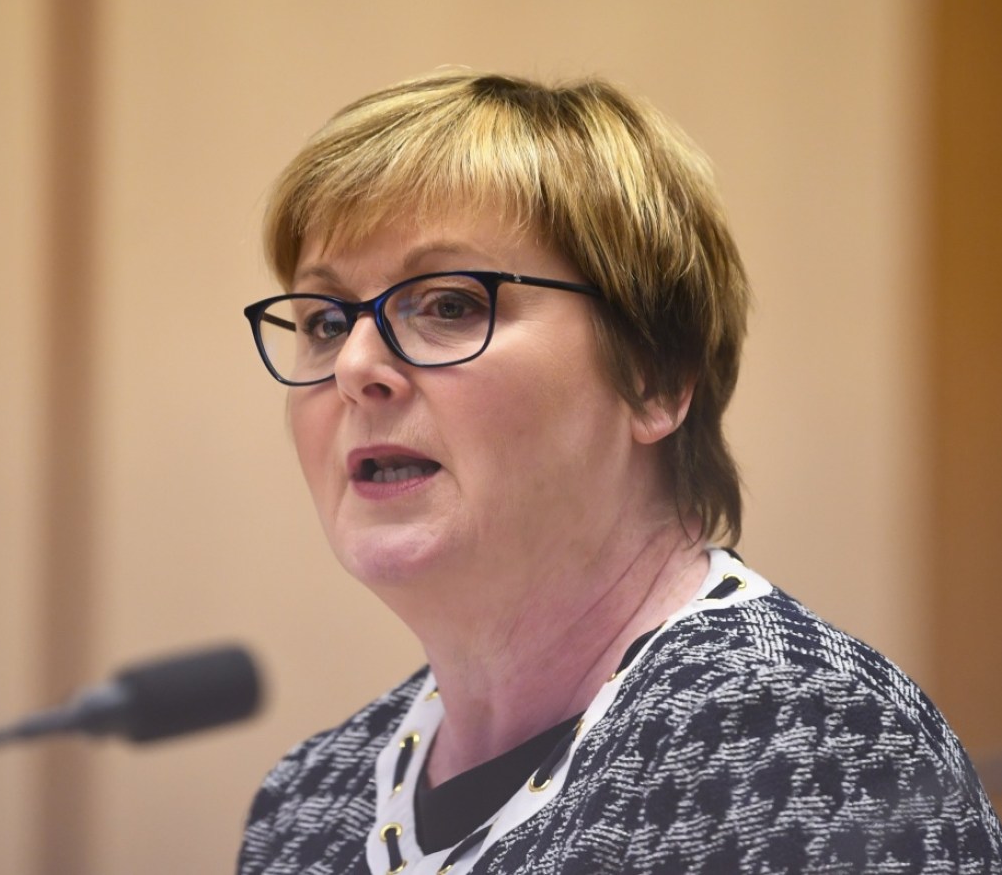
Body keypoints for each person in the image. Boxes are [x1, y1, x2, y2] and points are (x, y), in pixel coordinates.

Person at [236, 69, 1002, 874]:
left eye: (449, 304)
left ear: (654, 377)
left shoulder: (796, 734)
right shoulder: (308, 800)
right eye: (324, 320)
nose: (356, 366)